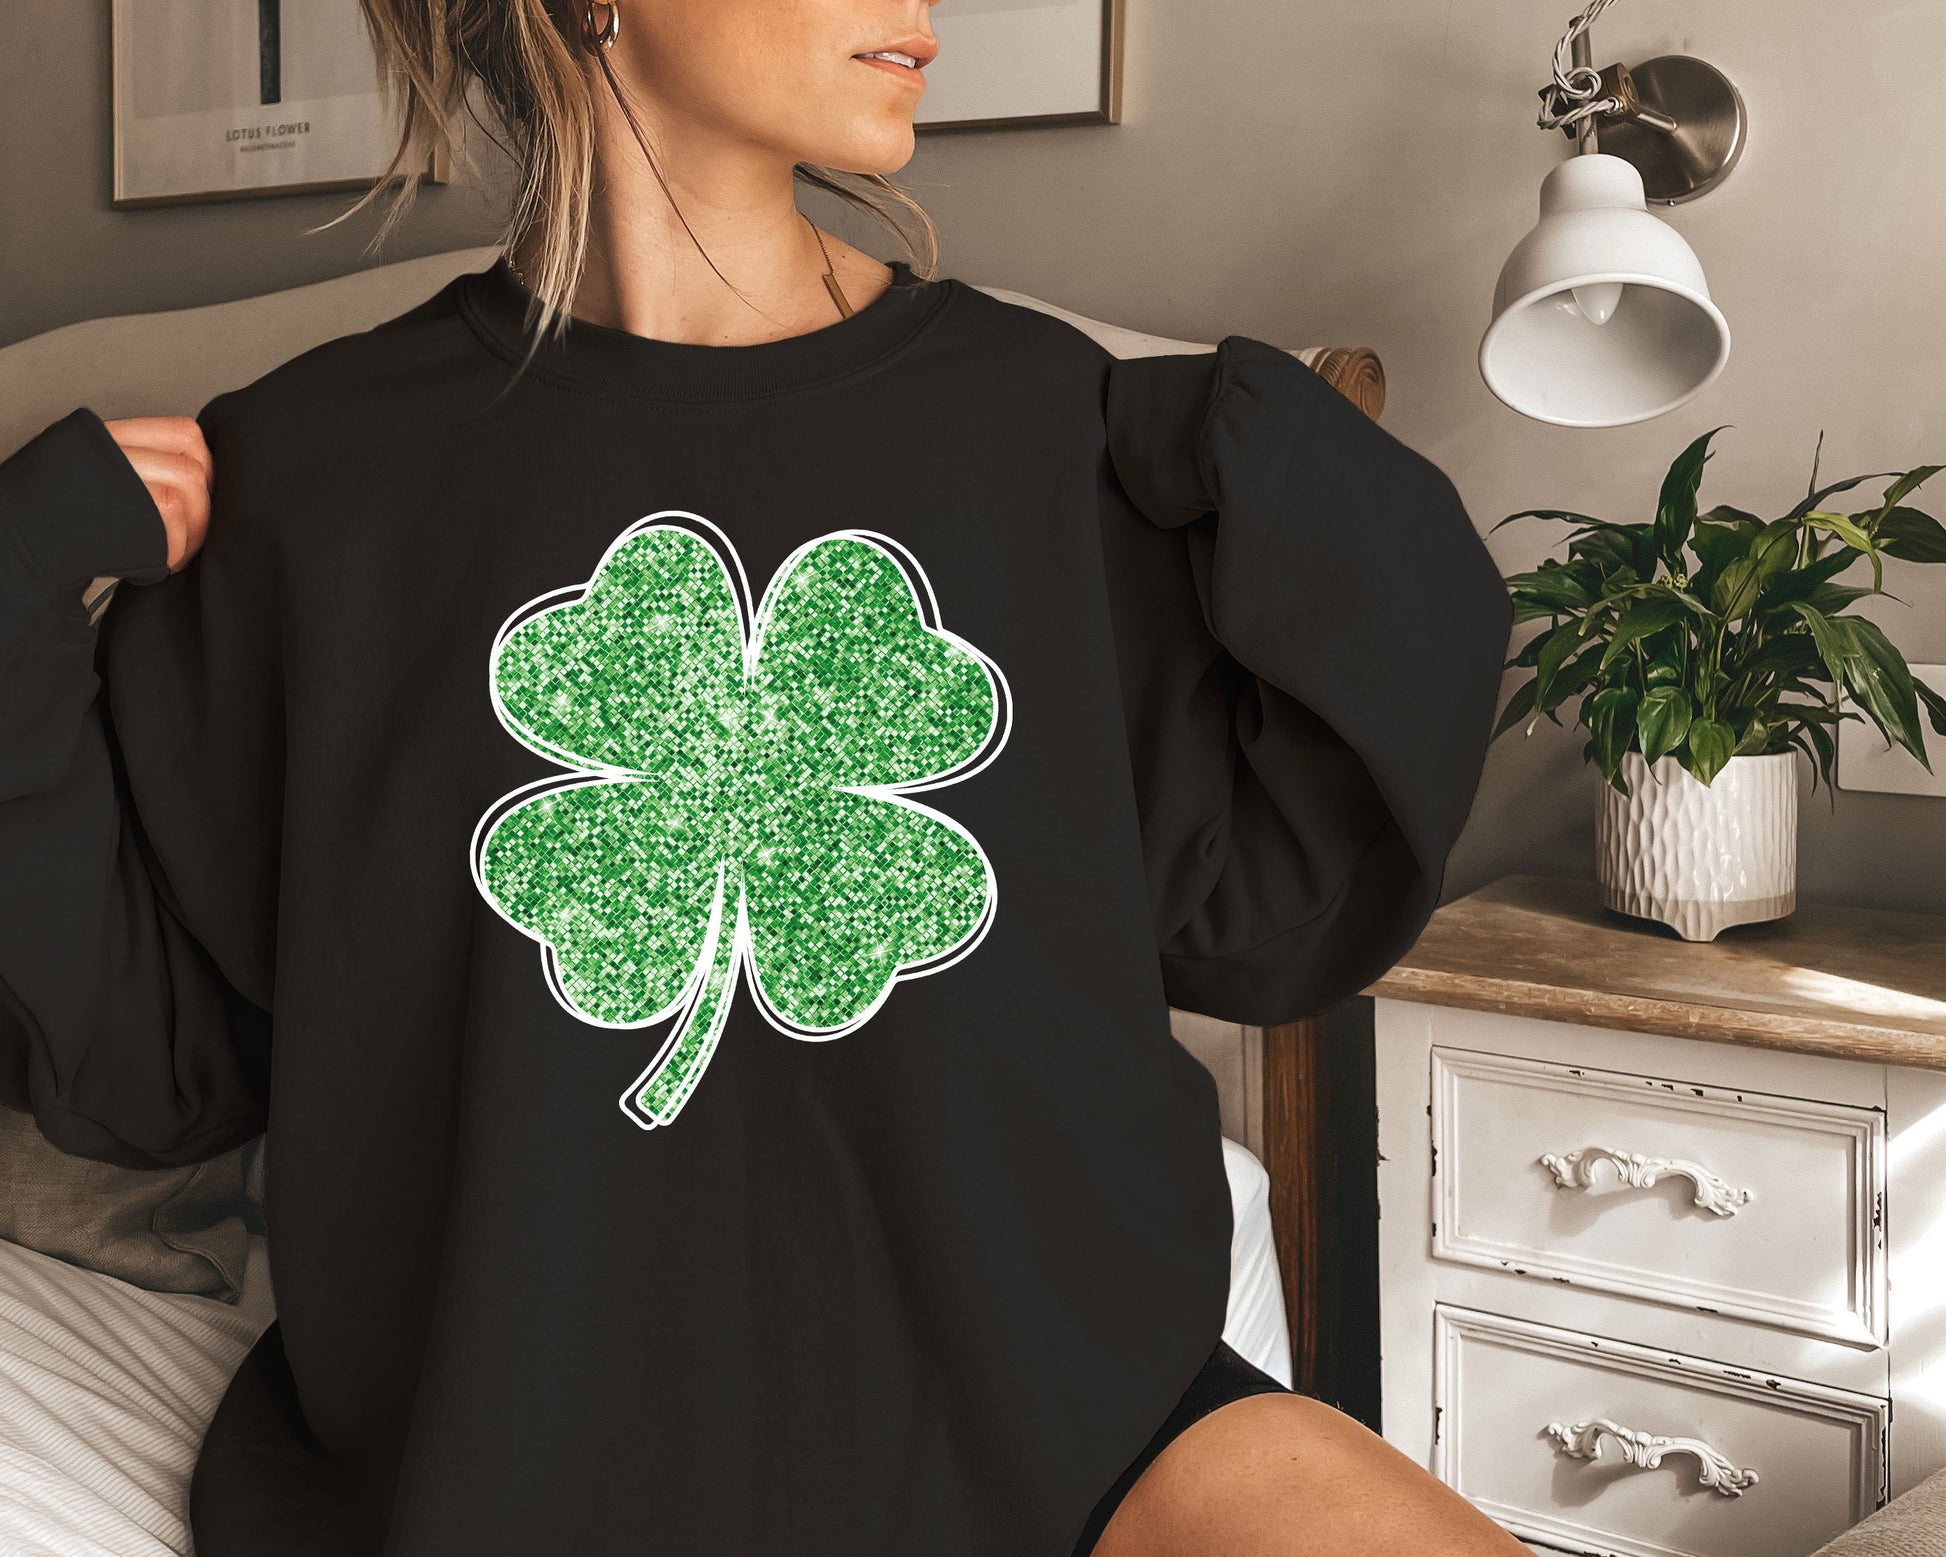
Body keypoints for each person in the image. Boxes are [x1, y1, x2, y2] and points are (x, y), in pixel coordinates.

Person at [0, 1, 1521, 1553]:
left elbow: (1272, 924)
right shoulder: (314, 489)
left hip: (1078, 1424)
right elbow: (149, 1064)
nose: (920, 6)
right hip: (518, 1474)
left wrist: (1273, 459)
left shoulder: (1052, 430)